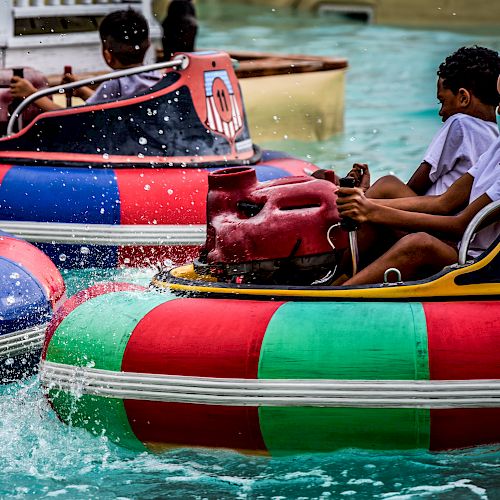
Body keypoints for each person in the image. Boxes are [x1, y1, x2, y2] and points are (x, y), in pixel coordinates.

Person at [336, 129, 500, 285]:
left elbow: (461, 225)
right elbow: (443, 203)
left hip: (481, 261)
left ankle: (336, 295)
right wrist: (365, 203)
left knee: (420, 244)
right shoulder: (496, 147)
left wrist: (372, 211)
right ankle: (335, 276)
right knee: (388, 185)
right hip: (461, 243)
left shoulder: (460, 122)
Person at [349, 46, 500, 200]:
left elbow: (415, 187)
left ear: (463, 97)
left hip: (431, 217)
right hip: (464, 216)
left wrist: (368, 195)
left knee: (387, 185)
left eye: (442, 101)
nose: (441, 111)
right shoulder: (495, 138)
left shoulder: (461, 124)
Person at [9, 9, 161, 111]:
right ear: (147, 45)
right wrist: (82, 91)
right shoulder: (156, 77)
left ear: (107, 54)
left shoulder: (115, 84)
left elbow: (72, 117)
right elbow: (109, 106)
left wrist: (31, 94)